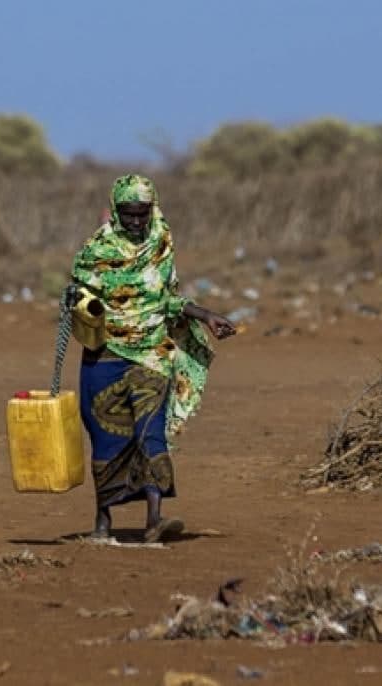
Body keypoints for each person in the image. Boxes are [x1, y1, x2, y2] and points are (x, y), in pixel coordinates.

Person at [70, 174, 235, 543]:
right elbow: (78, 298)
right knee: (106, 440)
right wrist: (83, 305)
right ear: (115, 210)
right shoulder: (96, 250)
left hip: (152, 355)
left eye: (142, 213)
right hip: (104, 356)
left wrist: (204, 314)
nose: (136, 222)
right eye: (128, 214)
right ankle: (102, 524)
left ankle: (154, 520)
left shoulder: (160, 243)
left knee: (150, 433)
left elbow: (168, 299)